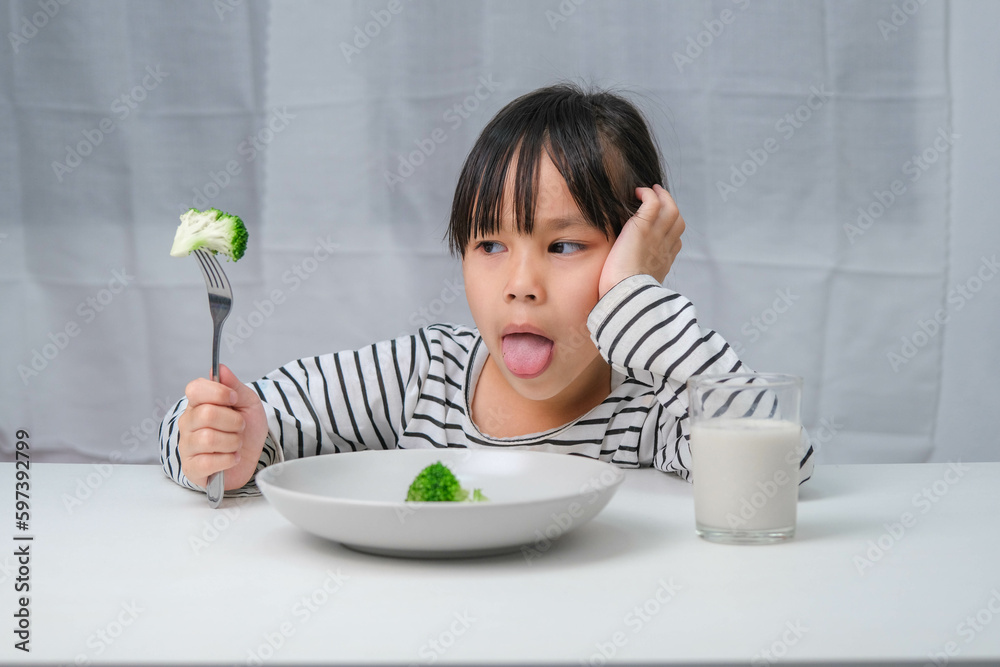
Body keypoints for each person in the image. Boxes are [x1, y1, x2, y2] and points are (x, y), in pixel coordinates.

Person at [159, 83, 814, 496]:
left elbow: (779, 466)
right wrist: (224, 444)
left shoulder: (652, 408)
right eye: (491, 246)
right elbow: (211, 422)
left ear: (630, 252)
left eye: (564, 246)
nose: (520, 286)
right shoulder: (423, 374)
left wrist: (635, 295)